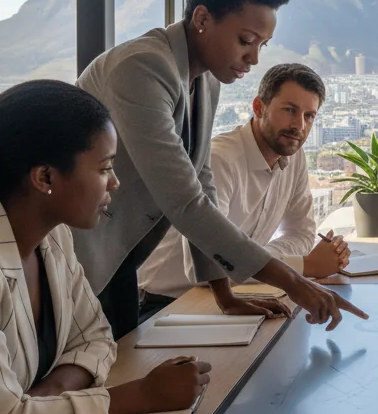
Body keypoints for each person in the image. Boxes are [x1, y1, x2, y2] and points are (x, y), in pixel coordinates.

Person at [73, 0, 366, 338]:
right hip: (74, 255)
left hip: (119, 260)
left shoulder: (206, 78)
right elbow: (185, 201)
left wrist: (224, 295)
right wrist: (294, 281)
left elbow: (201, 182)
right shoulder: (142, 67)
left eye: (262, 44)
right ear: (202, 19)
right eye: (246, 40)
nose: (254, 58)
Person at [0, 80, 210, 414]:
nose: (114, 182)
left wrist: (45, 398)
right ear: (45, 178)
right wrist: (141, 396)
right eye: (104, 168)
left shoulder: (54, 238)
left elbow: (96, 337)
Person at [138, 63, 350, 315]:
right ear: (259, 107)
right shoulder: (219, 160)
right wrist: (304, 266)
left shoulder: (294, 156)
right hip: (165, 303)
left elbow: (302, 234)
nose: (299, 126)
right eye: (290, 110)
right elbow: (210, 266)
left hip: (230, 294)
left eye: (309, 116)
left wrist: (259, 259)